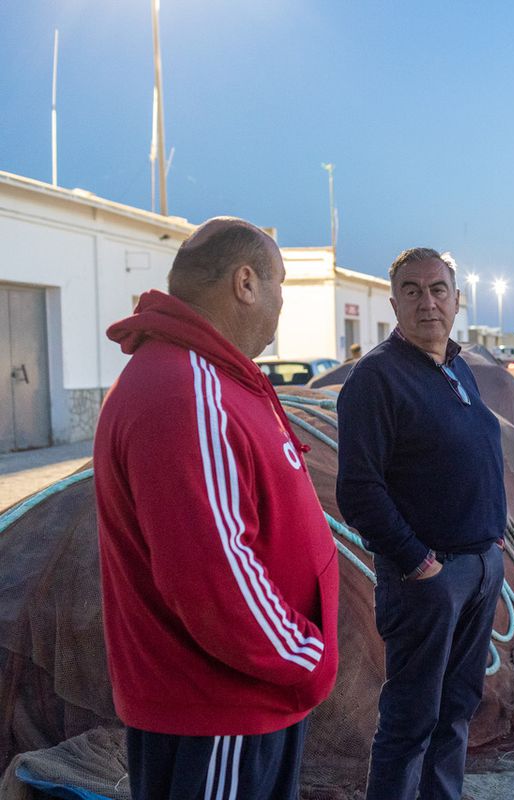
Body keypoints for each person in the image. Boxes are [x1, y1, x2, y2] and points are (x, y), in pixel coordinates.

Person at [93, 218, 339, 800]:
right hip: (224, 708)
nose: (282, 302)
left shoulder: (216, 378)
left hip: (248, 699)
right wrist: (308, 656)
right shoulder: (185, 391)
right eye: (280, 284)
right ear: (246, 283)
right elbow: (212, 577)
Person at [336, 248, 506, 800]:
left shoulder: (457, 367)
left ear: (457, 300)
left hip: (480, 569)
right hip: (429, 582)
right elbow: (358, 489)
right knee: (411, 722)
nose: (427, 301)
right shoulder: (375, 379)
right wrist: (419, 563)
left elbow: (477, 451)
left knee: (457, 711)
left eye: (438, 289)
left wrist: (494, 543)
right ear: (394, 304)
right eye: (412, 290)